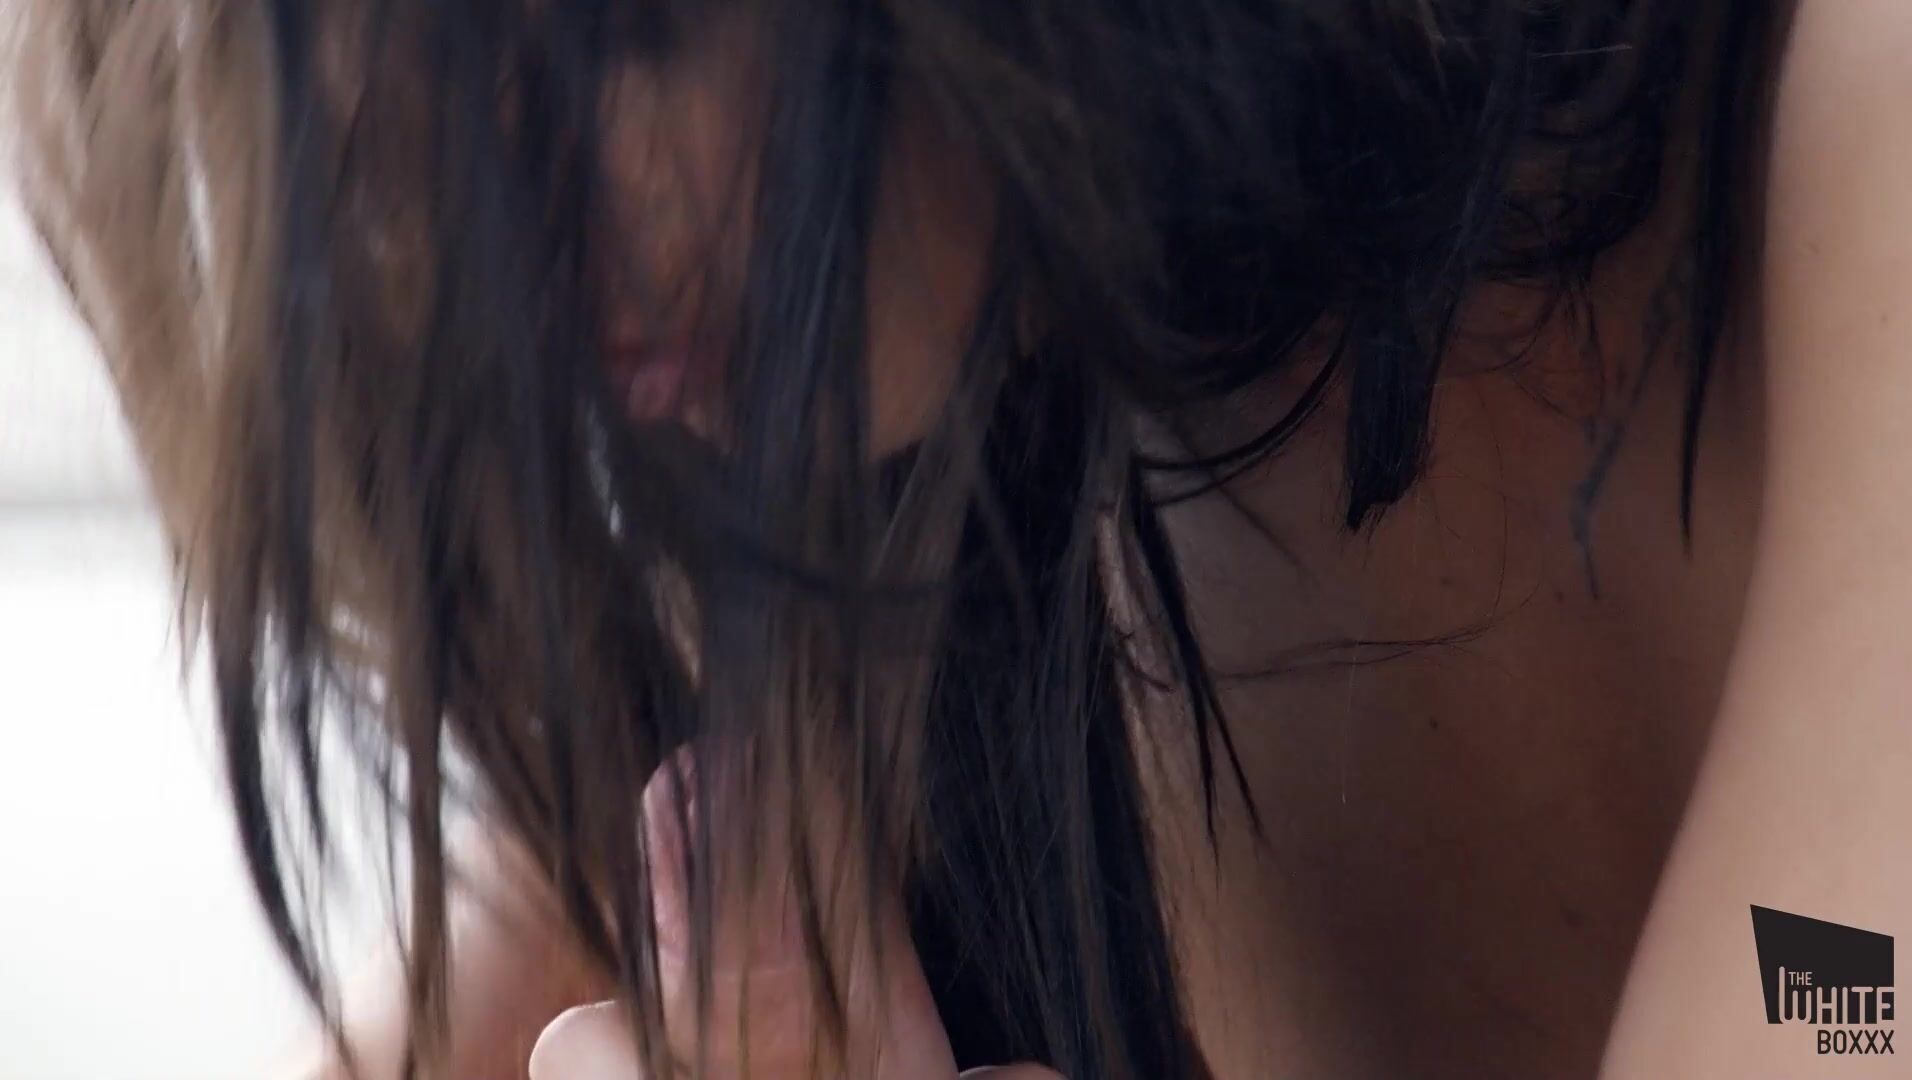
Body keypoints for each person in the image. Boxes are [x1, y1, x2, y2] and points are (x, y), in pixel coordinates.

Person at [9, 0, 1912, 1076]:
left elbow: (1847, 995)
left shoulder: (1854, 131)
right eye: (381, 149)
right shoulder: (841, 554)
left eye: (590, 42)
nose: (499, 261)